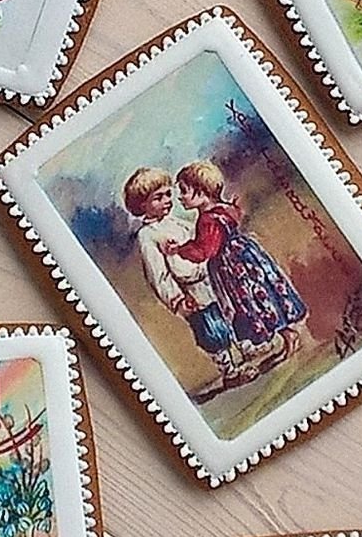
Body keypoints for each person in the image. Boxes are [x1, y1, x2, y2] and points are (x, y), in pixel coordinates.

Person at [164, 160, 307, 364]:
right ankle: (288, 336)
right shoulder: (223, 209)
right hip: (246, 255)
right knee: (263, 296)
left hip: (231, 266)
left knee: (251, 302)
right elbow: (235, 217)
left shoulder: (207, 220)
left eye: (184, 191)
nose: (180, 197)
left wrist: (178, 249)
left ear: (201, 192)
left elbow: (205, 250)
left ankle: (288, 337)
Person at [121, 166, 246, 389]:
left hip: (210, 280)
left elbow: (203, 243)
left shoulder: (178, 222)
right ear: (142, 205)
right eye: (158, 198)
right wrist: (177, 299)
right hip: (190, 291)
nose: (167, 201)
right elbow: (158, 273)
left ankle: (245, 350)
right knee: (211, 329)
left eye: (168, 194)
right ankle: (229, 370)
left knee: (228, 314)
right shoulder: (147, 235)